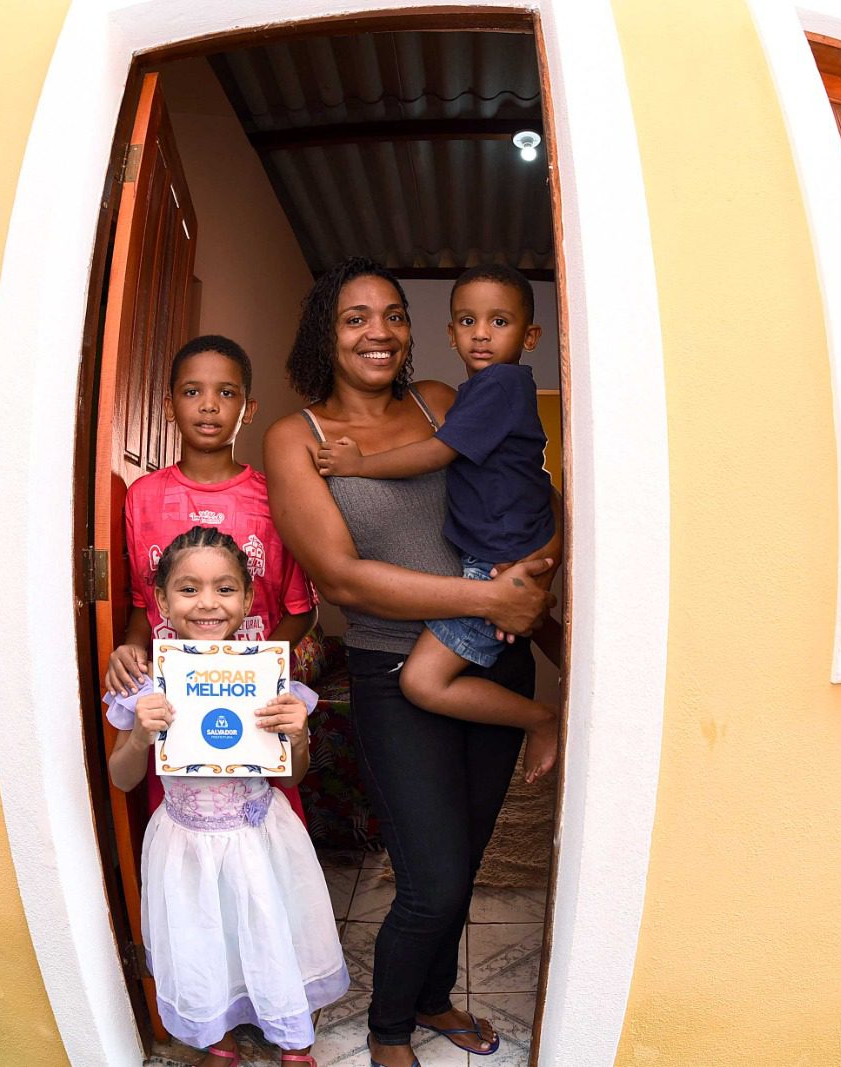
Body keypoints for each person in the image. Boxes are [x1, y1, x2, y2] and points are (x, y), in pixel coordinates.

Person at [263, 258, 558, 1067]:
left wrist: (540, 567)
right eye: (356, 317)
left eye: (393, 314)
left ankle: (433, 999)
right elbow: (340, 578)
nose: (379, 331)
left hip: (495, 663)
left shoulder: (442, 400)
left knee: (461, 866)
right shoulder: (299, 439)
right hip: (400, 676)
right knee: (428, 880)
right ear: (327, 331)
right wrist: (488, 601)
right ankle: (390, 1028)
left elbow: (514, 491)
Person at [106, 526, 346, 1067]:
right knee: (203, 938)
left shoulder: (270, 677)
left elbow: (289, 778)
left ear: (246, 599)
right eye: (188, 590)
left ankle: (291, 1034)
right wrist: (141, 735)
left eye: (225, 588)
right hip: (185, 844)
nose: (207, 603)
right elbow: (121, 779)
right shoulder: (148, 684)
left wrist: (298, 737)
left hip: (261, 837)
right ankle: (220, 1034)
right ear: (162, 601)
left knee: (269, 928)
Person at [313, 263, 561, 783]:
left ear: (531, 335)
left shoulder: (496, 388)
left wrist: (359, 465)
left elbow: (436, 453)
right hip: (492, 569)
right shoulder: (479, 392)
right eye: (468, 321)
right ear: (450, 334)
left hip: (492, 564)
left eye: (500, 322)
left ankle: (542, 717)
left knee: (424, 682)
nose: (482, 335)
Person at [105, 334, 318, 821]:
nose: (208, 406)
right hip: (173, 701)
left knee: (265, 835)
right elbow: (143, 601)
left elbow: (301, 611)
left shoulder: (274, 497)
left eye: (226, 393)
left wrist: (252, 671)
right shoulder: (141, 497)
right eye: (191, 391)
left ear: (248, 407)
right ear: (168, 405)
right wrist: (132, 648)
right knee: (184, 827)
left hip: (250, 701)